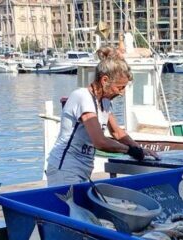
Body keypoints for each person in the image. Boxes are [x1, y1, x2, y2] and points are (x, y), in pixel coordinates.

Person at [45, 47, 159, 186]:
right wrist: (130, 151)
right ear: (105, 80)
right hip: (64, 168)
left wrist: (139, 149)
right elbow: (100, 141)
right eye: (120, 87)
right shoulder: (83, 97)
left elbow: (117, 132)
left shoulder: (105, 102)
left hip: (83, 168)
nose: (122, 93)